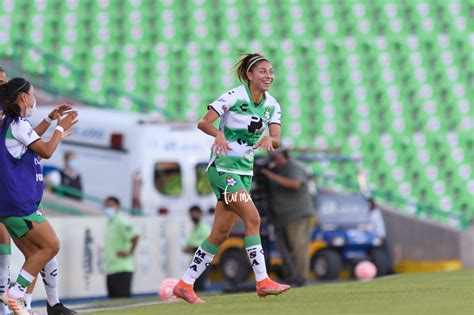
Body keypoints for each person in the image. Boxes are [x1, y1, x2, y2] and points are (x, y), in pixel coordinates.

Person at [173, 52, 290, 304]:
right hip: (223, 170)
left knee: (219, 234)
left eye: (271, 71)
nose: (269, 75)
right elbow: (204, 122)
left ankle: (184, 284)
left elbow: (277, 138)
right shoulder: (235, 96)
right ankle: (262, 280)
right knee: (253, 217)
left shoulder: (273, 105)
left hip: (244, 172)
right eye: (262, 71)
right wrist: (218, 134)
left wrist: (271, 139)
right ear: (249, 75)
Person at [0, 77, 78, 315]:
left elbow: (28, 137)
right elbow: (45, 150)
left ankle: (21, 303)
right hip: (19, 203)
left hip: (9, 205)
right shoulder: (17, 123)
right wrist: (60, 128)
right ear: (23, 97)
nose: (34, 99)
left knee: (34, 254)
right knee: (51, 246)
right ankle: (14, 295)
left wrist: (49, 119)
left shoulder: (10, 123)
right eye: (32, 94)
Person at [261, 149, 316, 286]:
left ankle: (300, 279)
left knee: (298, 247)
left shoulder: (293, 167)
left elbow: (295, 184)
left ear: (282, 156)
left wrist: (270, 176)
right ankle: (292, 276)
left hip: (298, 215)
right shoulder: (277, 169)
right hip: (282, 216)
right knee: (285, 249)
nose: (274, 160)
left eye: (276, 157)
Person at [104, 196, 140, 298]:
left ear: (118, 207)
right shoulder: (110, 223)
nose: (108, 208)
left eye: (110, 205)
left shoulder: (121, 221)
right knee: (113, 303)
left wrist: (129, 252)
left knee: (122, 302)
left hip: (122, 269)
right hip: (111, 269)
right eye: (106, 206)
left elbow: (135, 236)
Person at [182, 206, 211, 291]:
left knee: (200, 285)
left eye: (195, 214)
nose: (193, 216)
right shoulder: (194, 229)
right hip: (194, 260)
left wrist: (192, 248)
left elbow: (207, 245)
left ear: (200, 214)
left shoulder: (204, 228)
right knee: (194, 285)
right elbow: (189, 245)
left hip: (203, 260)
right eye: (192, 214)